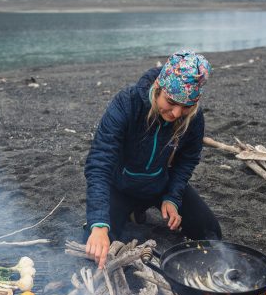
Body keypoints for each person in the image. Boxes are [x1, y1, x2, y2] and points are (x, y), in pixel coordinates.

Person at [84, 50, 222, 268]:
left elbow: (188, 159)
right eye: (171, 101)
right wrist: (99, 224)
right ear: (159, 87)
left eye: (186, 106)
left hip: (160, 184)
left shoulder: (193, 118)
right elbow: (99, 162)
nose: (177, 113)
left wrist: (172, 198)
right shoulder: (127, 103)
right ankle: (130, 211)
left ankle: (144, 208)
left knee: (211, 233)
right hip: (121, 186)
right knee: (96, 248)